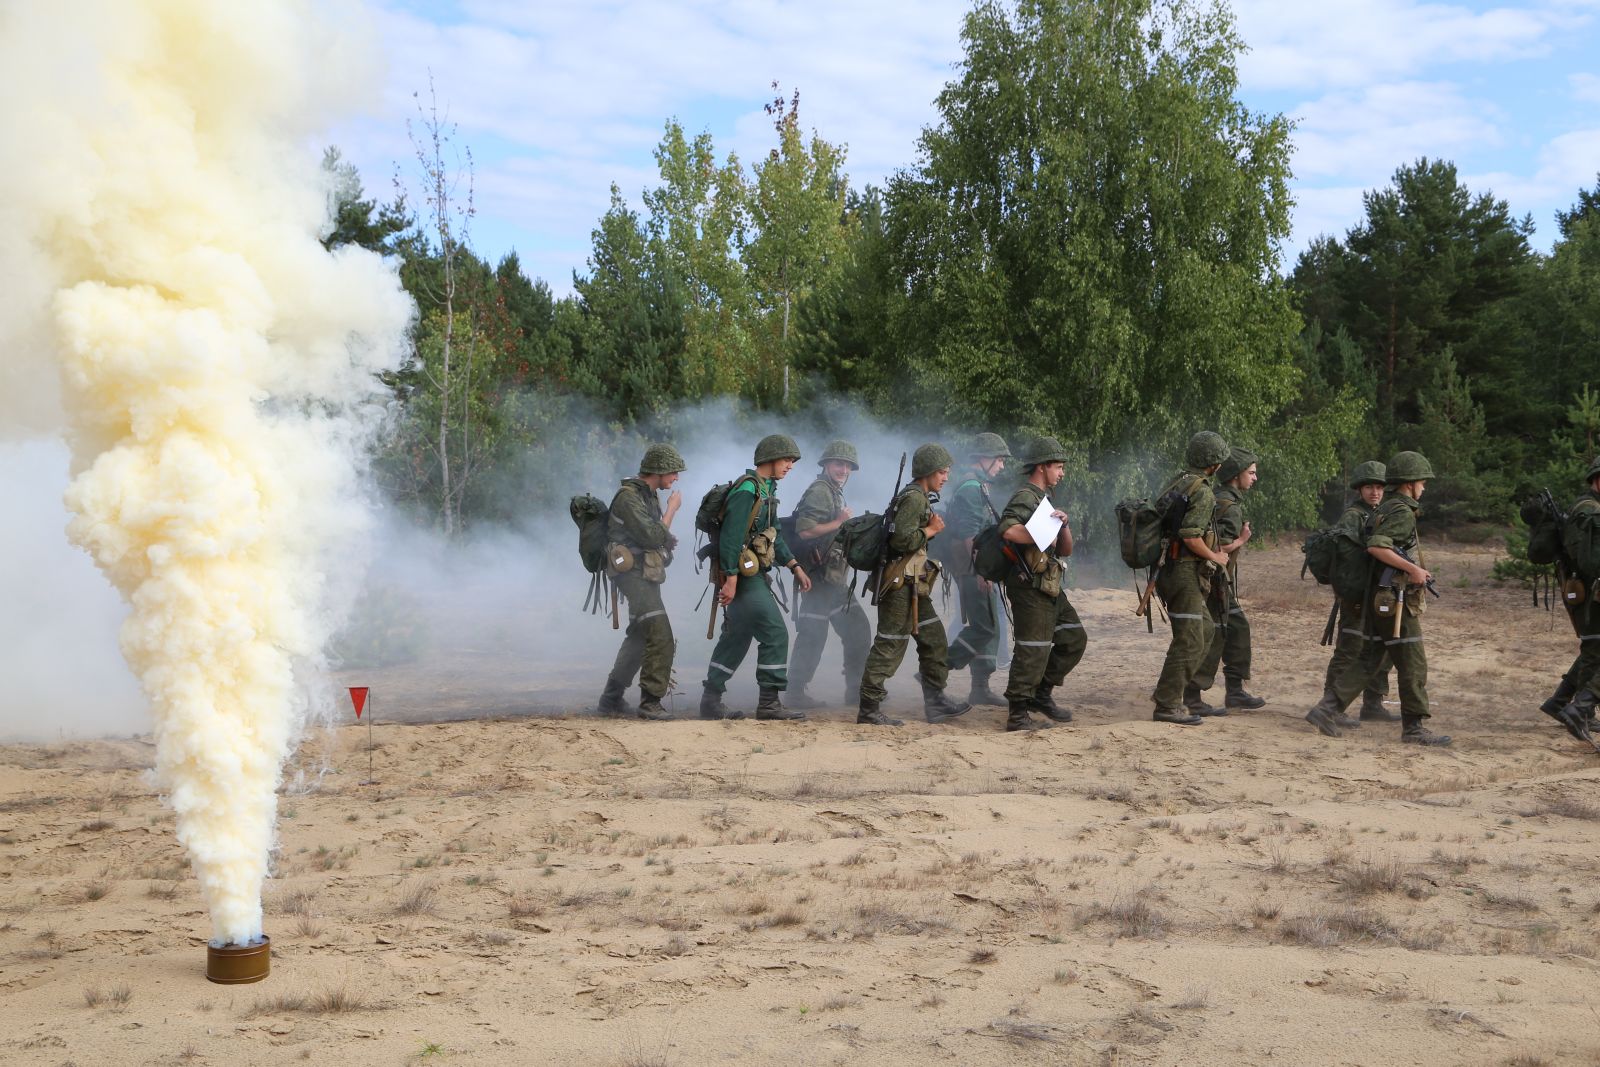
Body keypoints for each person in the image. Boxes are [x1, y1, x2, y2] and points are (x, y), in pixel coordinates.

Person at [1306, 451, 1450, 746]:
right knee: (1412, 661)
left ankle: (1326, 709)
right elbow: (1377, 546)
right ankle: (1414, 728)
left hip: (1379, 598)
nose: (1424, 487)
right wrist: (1413, 570)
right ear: (1410, 483)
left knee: (1370, 658)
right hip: (1392, 600)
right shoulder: (1401, 511)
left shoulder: (1385, 508)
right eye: (1422, 481)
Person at [698, 435, 814, 721]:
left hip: (753, 573)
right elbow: (731, 538)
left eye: (792, 461)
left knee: (737, 636)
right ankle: (769, 703)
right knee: (775, 633)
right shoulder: (748, 491)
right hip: (744, 576)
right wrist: (732, 579)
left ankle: (711, 700)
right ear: (770, 459)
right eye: (787, 459)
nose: (790, 465)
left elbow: (774, 534)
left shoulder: (767, 491)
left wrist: (794, 565)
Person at [856, 444, 971, 726]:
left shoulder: (920, 497)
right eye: (942, 472)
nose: (945, 477)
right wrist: (931, 530)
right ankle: (869, 708)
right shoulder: (914, 499)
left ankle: (936, 702)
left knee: (933, 640)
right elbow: (901, 540)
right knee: (890, 645)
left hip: (914, 586)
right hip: (899, 587)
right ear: (928, 472)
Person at [995, 436, 1087, 732]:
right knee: (1032, 648)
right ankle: (1018, 713)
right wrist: (1041, 530)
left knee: (1074, 639)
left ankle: (1040, 694)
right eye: (1058, 467)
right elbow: (1008, 531)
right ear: (1041, 467)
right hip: (1029, 586)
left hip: (1049, 584)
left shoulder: (1043, 500)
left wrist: (1063, 525)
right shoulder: (1025, 496)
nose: (1062, 473)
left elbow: (1065, 550)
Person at [596, 444, 686, 721]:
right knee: (660, 633)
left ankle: (611, 698)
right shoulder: (629, 497)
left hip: (645, 573)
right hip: (631, 575)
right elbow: (650, 536)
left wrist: (666, 536)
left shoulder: (647, 496)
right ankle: (650, 702)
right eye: (673, 472)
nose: (676, 478)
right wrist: (672, 511)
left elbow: (654, 535)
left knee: (639, 635)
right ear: (657, 470)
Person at [1150, 431, 1231, 726]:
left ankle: (1188, 696)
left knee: (1205, 630)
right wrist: (1216, 556)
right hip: (1181, 571)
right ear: (1214, 463)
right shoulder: (1203, 491)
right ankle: (1167, 703)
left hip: (1170, 569)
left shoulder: (1179, 480)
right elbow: (1190, 535)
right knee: (1190, 639)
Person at [786, 440, 871, 709]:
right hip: (819, 578)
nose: (843, 469)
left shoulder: (833, 491)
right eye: (838, 463)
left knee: (849, 631)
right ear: (826, 465)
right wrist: (839, 523)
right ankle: (797, 692)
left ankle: (851, 691)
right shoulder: (820, 492)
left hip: (830, 579)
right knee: (818, 633)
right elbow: (804, 530)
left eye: (847, 465)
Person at [1317, 461, 1397, 728]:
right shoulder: (1353, 516)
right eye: (1369, 487)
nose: (1375, 492)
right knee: (1350, 648)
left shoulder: (1380, 513)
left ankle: (1373, 704)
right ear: (1360, 489)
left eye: (1379, 487)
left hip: (1377, 592)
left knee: (1381, 648)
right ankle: (1331, 706)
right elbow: (1346, 559)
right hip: (1356, 594)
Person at [1188, 447, 1265, 714]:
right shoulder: (1227, 506)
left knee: (1235, 628)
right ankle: (1193, 693)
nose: (1254, 478)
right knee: (1216, 633)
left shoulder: (1219, 498)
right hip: (1214, 581)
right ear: (1236, 475)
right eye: (1251, 473)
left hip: (1214, 580)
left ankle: (1234, 692)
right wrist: (1242, 541)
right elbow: (1218, 546)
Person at [946, 433, 1013, 707]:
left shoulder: (977, 485)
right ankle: (936, 672)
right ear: (983, 459)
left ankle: (980, 687)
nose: (1002, 465)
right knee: (984, 627)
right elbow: (970, 535)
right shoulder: (971, 488)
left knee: (990, 625)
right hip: (974, 568)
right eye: (998, 459)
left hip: (978, 567)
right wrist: (983, 570)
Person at [1540, 459, 1600, 738]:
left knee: (1592, 651)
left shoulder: (1589, 509)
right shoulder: (1590, 512)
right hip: (1591, 594)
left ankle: (1561, 703)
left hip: (1587, 592)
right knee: (1593, 652)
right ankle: (1581, 710)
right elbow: (1591, 562)